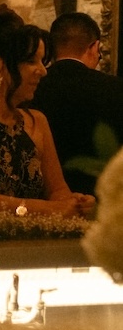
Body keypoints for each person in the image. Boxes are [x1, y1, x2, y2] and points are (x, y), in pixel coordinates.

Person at [0, 4, 94, 216]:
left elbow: (58, 190)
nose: (42, 71)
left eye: (42, 61)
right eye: (31, 61)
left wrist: (76, 202)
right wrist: (45, 209)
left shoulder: (37, 121)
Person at [30, 11, 123, 196]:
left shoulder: (32, 87)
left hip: (40, 200)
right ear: (94, 47)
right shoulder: (115, 89)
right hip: (97, 199)